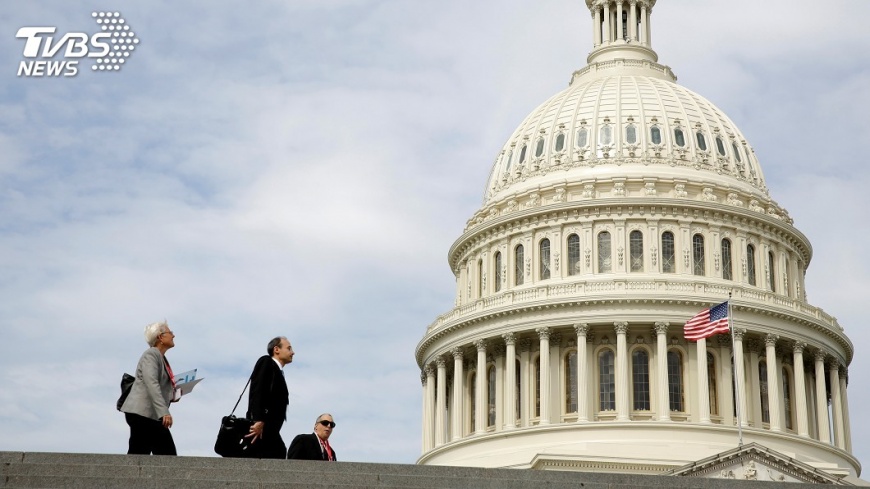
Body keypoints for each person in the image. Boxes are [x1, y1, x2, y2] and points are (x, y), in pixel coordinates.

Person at [120, 320, 179, 455]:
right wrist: (164, 412)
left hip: (151, 414)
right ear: (160, 337)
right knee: (143, 452)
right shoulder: (151, 354)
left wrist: (172, 395)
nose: (173, 336)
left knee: (154, 453)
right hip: (142, 413)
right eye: (170, 333)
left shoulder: (161, 358)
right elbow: (151, 382)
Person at [244, 336, 294, 459]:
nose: (292, 352)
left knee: (279, 452)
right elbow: (258, 390)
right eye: (289, 348)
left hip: (271, 429)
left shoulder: (279, 371)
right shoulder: (266, 362)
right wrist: (258, 419)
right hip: (261, 429)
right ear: (276, 349)